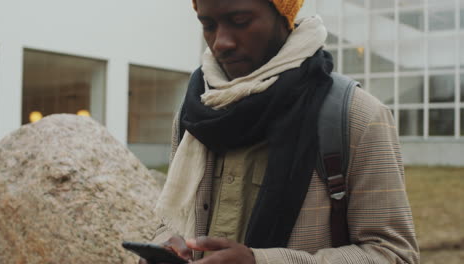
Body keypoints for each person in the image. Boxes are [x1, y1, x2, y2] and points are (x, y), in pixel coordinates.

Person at [141, 0, 420, 263]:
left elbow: (393, 254)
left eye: (240, 20)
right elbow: (173, 220)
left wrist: (261, 261)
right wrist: (165, 246)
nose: (221, 42)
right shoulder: (196, 112)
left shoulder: (357, 116)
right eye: (208, 25)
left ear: (284, 17)